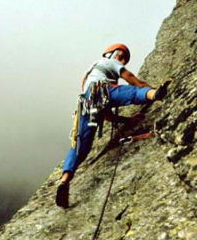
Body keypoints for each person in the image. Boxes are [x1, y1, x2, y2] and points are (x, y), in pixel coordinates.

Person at [56, 43, 171, 208]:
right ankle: (154, 94)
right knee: (129, 92)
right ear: (109, 54)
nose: (122, 59)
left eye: (124, 58)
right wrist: (150, 88)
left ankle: (64, 179)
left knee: (81, 145)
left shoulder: (90, 75)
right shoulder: (107, 62)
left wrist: (127, 121)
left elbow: (106, 114)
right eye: (120, 54)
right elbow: (130, 78)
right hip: (102, 90)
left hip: (86, 103)